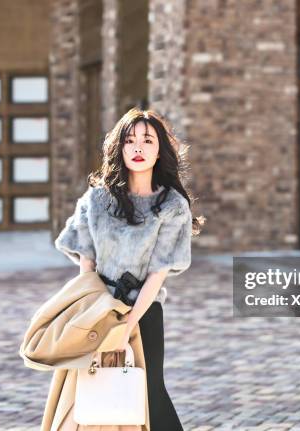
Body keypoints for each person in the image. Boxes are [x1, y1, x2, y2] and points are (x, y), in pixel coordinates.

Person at [54, 107, 205, 431]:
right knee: (88, 395)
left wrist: (127, 325)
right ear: (119, 148)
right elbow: (87, 263)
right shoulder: (97, 200)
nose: (138, 148)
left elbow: (158, 273)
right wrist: (93, 313)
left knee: (149, 395)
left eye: (147, 140)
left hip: (144, 313)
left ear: (160, 149)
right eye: (130, 140)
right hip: (98, 308)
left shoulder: (172, 206)